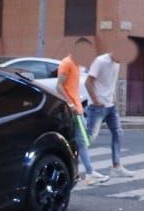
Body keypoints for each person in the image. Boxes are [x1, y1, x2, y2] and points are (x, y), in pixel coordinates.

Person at [84, 41, 135, 180]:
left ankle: (116, 167)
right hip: (97, 107)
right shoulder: (100, 61)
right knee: (89, 138)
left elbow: (111, 83)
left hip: (110, 106)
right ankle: (74, 164)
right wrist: (95, 100)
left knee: (118, 132)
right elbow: (88, 82)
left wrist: (113, 98)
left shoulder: (117, 64)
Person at [57, 39, 104, 185]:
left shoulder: (76, 64)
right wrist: (70, 104)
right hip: (73, 110)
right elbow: (59, 86)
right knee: (82, 141)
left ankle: (84, 172)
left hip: (78, 108)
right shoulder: (67, 63)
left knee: (81, 141)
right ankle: (89, 173)